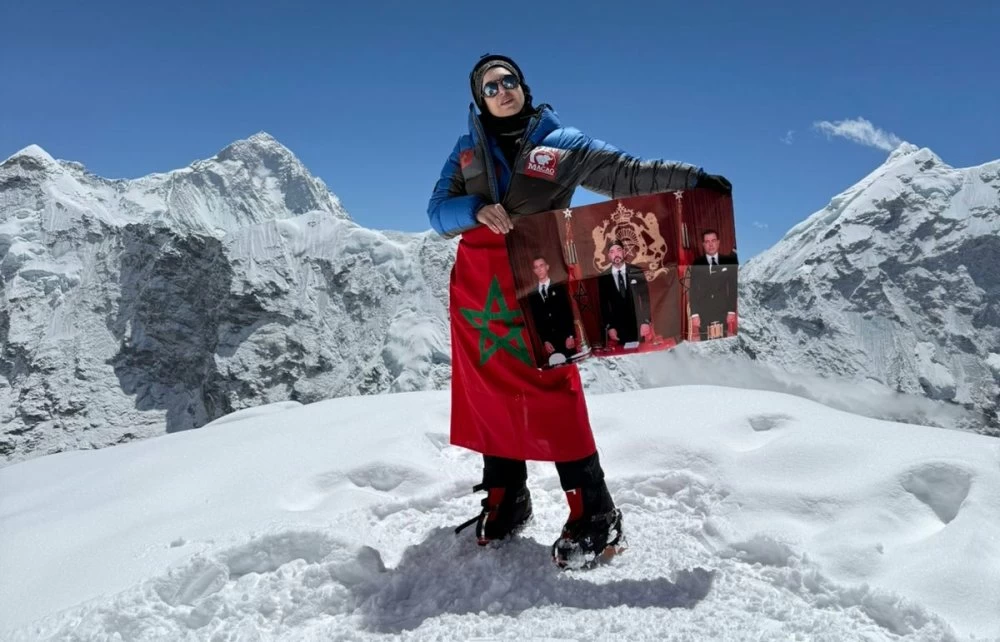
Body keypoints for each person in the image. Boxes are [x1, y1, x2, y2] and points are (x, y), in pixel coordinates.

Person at [427, 53, 731, 568]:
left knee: (555, 394)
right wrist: (474, 209)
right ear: (480, 99)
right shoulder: (465, 151)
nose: (502, 90)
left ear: (523, 87)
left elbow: (624, 174)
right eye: (490, 86)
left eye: (509, 81)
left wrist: (692, 178)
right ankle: (507, 496)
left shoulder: (561, 143)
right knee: (488, 394)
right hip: (478, 294)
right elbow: (437, 212)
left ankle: (596, 512)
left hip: (537, 286)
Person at [597, 240, 651, 346]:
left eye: (618, 250)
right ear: (608, 256)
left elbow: (645, 299)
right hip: (618, 329)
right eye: (612, 252)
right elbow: (604, 305)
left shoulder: (636, 271)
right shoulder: (603, 277)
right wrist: (610, 327)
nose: (616, 254)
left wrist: (646, 321)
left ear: (624, 252)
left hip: (638, 325)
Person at [688, 229, 739, 340]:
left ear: (718, 242)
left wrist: (731, 311)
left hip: (723, 310)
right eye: (707, 242)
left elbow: (733, 288)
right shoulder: (697, 263)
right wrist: (694, 314)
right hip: (703, 311)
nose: (710, 244)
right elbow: (693, 290)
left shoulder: (728, 262)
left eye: (713, 241)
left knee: (722, 343)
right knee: (706, 344)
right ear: (703, 245)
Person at [526, 256, 577, 364]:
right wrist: (545, 340)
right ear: (534, 271)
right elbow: (537, 320)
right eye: (536, 267)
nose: (539, 269)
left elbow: (568, 312)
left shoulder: (559, 287)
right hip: (551, 342)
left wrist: (570, 335)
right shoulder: (532, 295)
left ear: (547, 267)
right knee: (557, 368)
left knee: (571, 365)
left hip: (565, 338)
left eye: (541, 265)